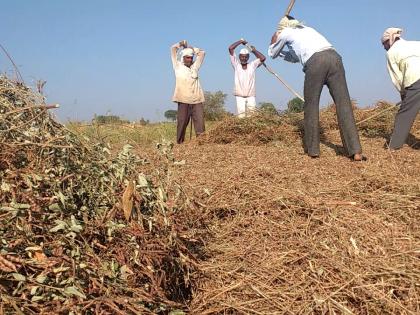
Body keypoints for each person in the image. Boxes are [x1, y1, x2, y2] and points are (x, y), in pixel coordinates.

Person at [268, 15, 364, 161]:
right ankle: (355, 151)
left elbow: (272, 54)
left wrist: (273, 41)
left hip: (316, 62)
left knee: (311, 105)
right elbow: (295, 57)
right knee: (343, 104)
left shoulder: (285, 32)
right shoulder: (307, 30)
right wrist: (282, 51)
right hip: (335, 58)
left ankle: (313, 150)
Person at [381, 28, 420, 149]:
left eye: (384, 44)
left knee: (405, 114)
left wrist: (404, 96)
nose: (384, 47)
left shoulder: (391, 53)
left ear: (389, 41)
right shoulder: (416, 44)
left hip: (415, 80)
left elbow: (397, 78)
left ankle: (393, 146)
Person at [170, 40, 206, 144]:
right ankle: (180, 144)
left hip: (197, 100)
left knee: (200, 124)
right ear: (183, 58)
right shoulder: (177, 66)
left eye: (191, 58)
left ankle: (202, 144)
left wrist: (191, 48)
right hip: (183, 99)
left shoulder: (195, 67)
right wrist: (182, 44)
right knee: (182, 123)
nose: (190, 60)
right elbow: (173, 49)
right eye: (187, 57)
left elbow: (202, 53)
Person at [229, 39, 266, 118]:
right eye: (242, 57)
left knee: (252, 116)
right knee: (241, 117)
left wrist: (253, 50)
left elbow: (263, 58)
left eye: (245, 57)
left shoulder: (252, 65)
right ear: (239, 57)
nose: (243, 59)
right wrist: (241, 41)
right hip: (239, 95)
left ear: (248, 57)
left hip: (251, 95)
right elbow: (230, 48)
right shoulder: (236, 65)